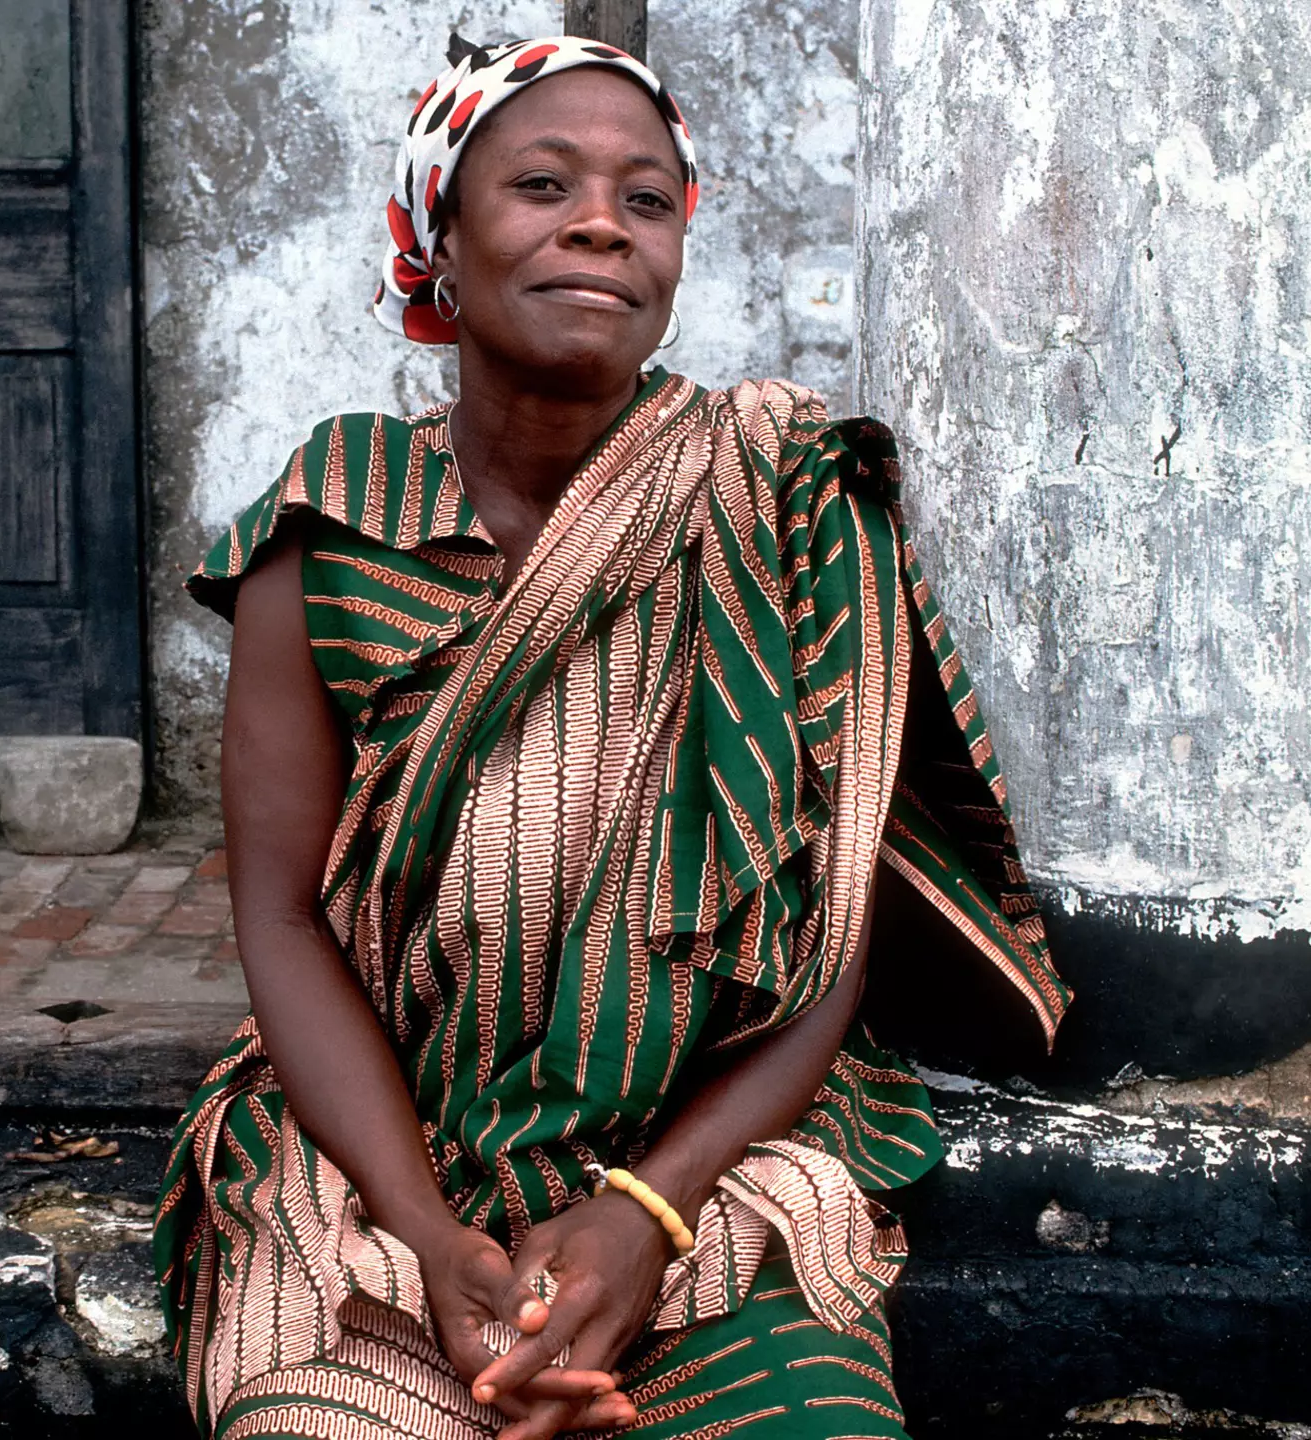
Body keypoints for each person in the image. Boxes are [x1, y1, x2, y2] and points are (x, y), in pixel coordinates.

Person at [153, 34, 1068, 1440]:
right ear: (437, 241)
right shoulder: (330, 520)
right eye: (539, 185)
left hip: (710, 1164)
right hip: (382, 1160)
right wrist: (425, 1233)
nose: (599, 221)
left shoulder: (785, 501)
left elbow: (829, 933)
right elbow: (279, 915)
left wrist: (647, 1212)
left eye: (646, 200)